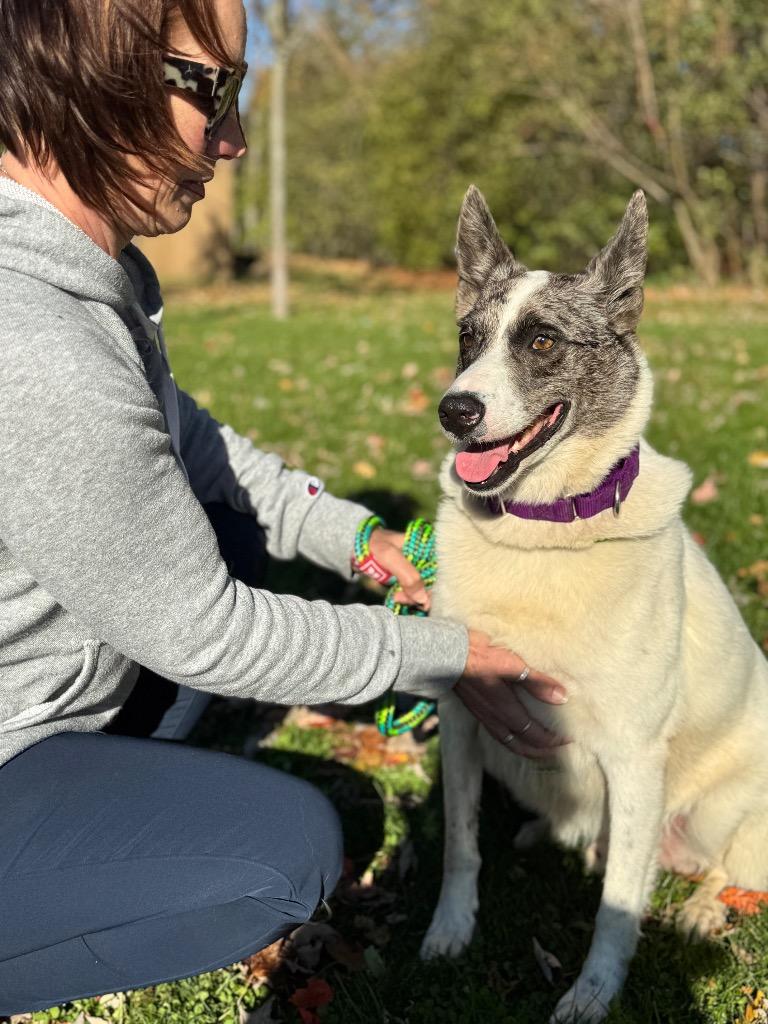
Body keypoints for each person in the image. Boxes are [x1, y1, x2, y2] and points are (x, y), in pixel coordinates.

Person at [0, 0, 568, 1015]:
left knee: (218, 535)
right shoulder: (33, 339)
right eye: (210, 89)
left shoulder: (83, 272)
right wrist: (452, 652)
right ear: (81, 70)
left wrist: (353, 535)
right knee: (282, 849)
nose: (234, 136)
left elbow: (188, 439)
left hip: (46, 697)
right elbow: (202, 628)